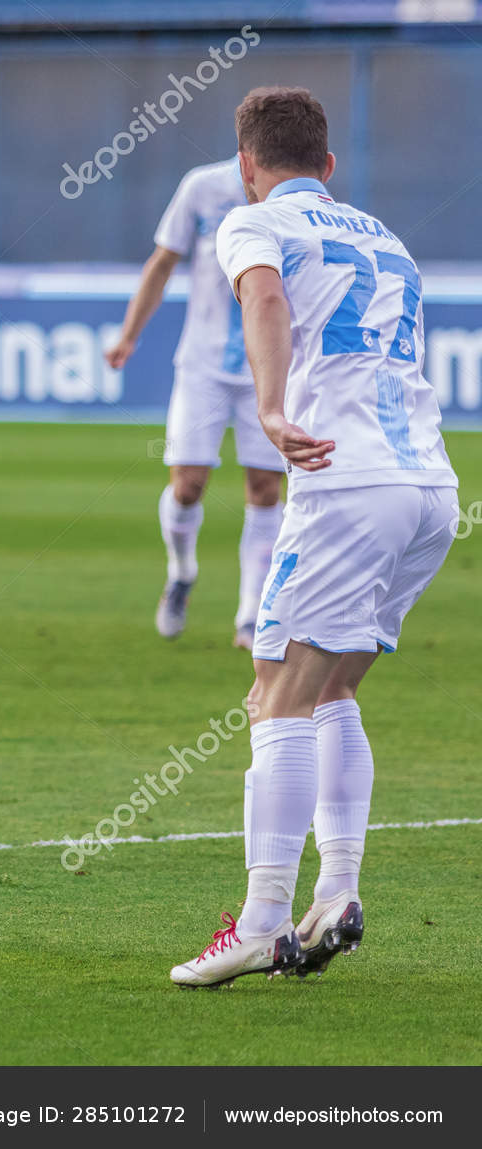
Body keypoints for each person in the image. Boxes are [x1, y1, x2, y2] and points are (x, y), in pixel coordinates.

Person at [169, 88, 457, 987]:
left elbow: (263, 301)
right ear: (329, 167)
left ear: (247, 168)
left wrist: (267, 407)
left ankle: (259, 922)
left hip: (347, 485)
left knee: (275, 696)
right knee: (332, 689)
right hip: (429, 490)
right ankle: (335, 893)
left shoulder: (254, 224)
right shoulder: (385, 236)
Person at [106, 154, 286, 648]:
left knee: (266, 488)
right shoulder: (201, 186)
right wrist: (128, 335)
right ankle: (181, 572)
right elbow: (163, 261)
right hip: (203, 363)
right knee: (187, 484)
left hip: (265, 366)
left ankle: (252, 614)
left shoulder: (292, 193)